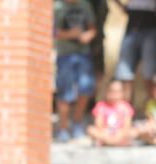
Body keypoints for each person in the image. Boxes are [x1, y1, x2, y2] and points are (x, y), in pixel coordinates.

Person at [54, 0, 98, 142]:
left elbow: (92, 28)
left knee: (85, 89)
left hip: (83, 54)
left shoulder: (85, 5)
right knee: (65, 92)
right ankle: (63, 128)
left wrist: (88, 35)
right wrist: (70, 34)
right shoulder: (57, 6)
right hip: (65, 55)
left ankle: (77, 122)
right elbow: (50, 31)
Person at [114, 0, 156, 102]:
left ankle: (153, 110)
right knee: (125, 73)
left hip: (152, 27)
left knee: (150, 74)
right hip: (132, 27)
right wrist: (122, 6)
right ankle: (125, 111)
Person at [87, 79, 136, 146]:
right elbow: (98, 125)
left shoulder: (126, 107)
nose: (114, 94)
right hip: (105, 133)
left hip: (120, 133)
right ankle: (114, 142)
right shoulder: (101, 106)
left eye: (117, 92)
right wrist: (106, 132)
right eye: (111, 91)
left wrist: (119, 133)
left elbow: (127, 125)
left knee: (133, 131)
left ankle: (109, 142)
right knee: (90, 129)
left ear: (122, 93)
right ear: (107, 92)